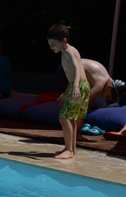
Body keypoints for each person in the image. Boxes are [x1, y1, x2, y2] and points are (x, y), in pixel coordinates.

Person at [47, 23, 89, 160]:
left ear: (64, 40)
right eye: (50, 44)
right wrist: (67, 92)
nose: (51, 47)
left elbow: (77, 69)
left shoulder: (68, 52)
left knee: (64, 118)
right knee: (71, 118)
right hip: (79, 85)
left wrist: (75, 87)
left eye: (53, 44)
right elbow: (72, 77)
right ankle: (71, 148)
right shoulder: (67, 51)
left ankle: (69, 149)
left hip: (79, 85)